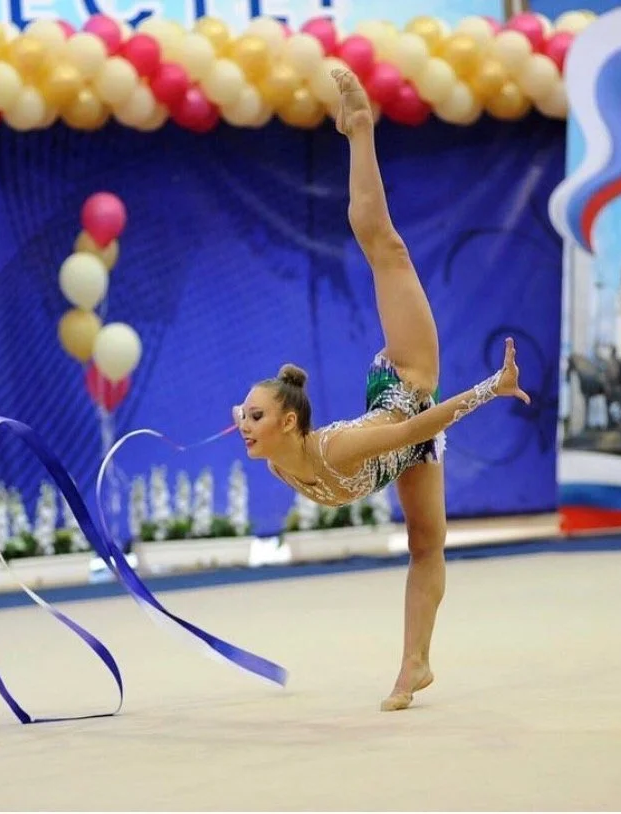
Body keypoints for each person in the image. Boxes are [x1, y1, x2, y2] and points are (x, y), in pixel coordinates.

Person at [232, 69, 530, 712]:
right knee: (426, 544)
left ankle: (359, 130)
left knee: (383, 244)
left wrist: (491, 388)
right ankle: (416, 663)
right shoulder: (281, 455)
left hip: (407, 381)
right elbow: (280, 405)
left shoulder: (338, 449)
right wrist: (270, 394)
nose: (242, 424)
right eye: (243, 414)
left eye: (253, 415)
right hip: (406, 437)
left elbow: (419, 427)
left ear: (287, 423)